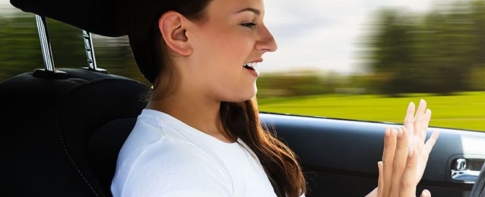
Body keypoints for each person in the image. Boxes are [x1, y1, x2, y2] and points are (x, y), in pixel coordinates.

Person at [110, 0, 439, 196]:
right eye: (249, 22)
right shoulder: (171, 174)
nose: (270, 42)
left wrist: (390, 189)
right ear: (179, 34)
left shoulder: (223, 135)